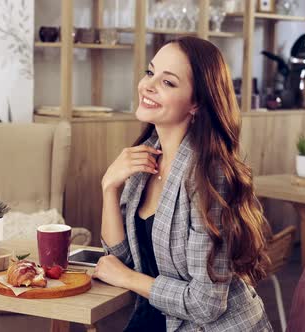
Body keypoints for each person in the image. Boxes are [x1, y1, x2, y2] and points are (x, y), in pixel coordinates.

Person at [93, 36, 273, 332]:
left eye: (168, 83)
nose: (147, 86)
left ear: (196, 103)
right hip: (159, 318)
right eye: (150, 73)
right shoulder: (146, 158)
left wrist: (128, 279)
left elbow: (206, 304)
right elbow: (123, 259)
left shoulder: (209, 176)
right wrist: (109, 187)